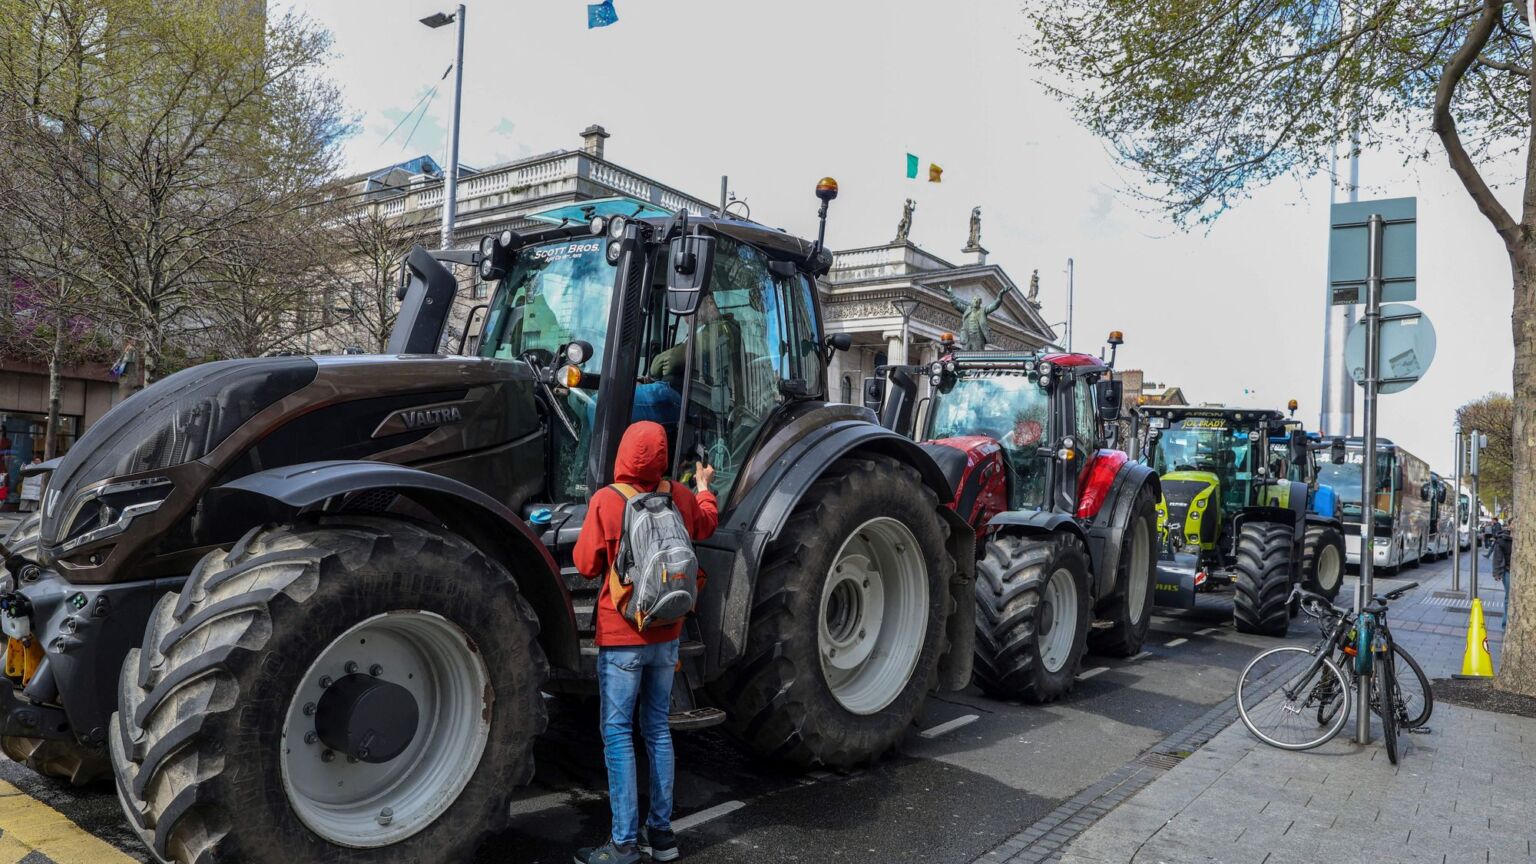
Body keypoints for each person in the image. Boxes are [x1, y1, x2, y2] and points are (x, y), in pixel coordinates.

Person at [572, 421, 718, 864]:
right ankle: (662, 836)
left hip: (622, 635)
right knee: (656, 728)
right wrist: (705, 488)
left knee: (617, 733)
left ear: (623, 453)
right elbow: (707, 525)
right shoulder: (678, 495)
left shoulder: (608, 500)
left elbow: (585, 564)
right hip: (667, 632)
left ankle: (623, 844)